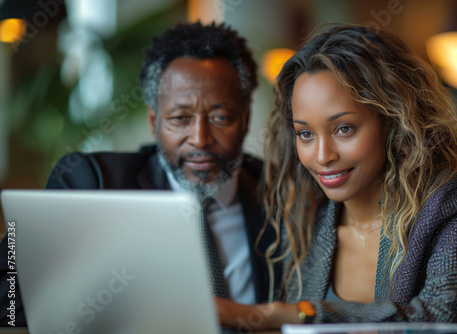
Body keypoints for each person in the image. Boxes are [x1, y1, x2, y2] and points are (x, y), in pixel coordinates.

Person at [216, 24, 457, 332]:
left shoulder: (455, 202)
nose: (322, 155)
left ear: (392, 121)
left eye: (344, 128)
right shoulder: (306, 214)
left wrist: (286, 313)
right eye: (306, 134)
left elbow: (443, 318)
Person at [0, 21, 279, 326]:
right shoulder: (91, 183)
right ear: (153, 120)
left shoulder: (283, 191)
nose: (200, 138)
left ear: (246, 117)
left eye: (220, 117)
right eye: (180, 118)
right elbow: (7, 303)